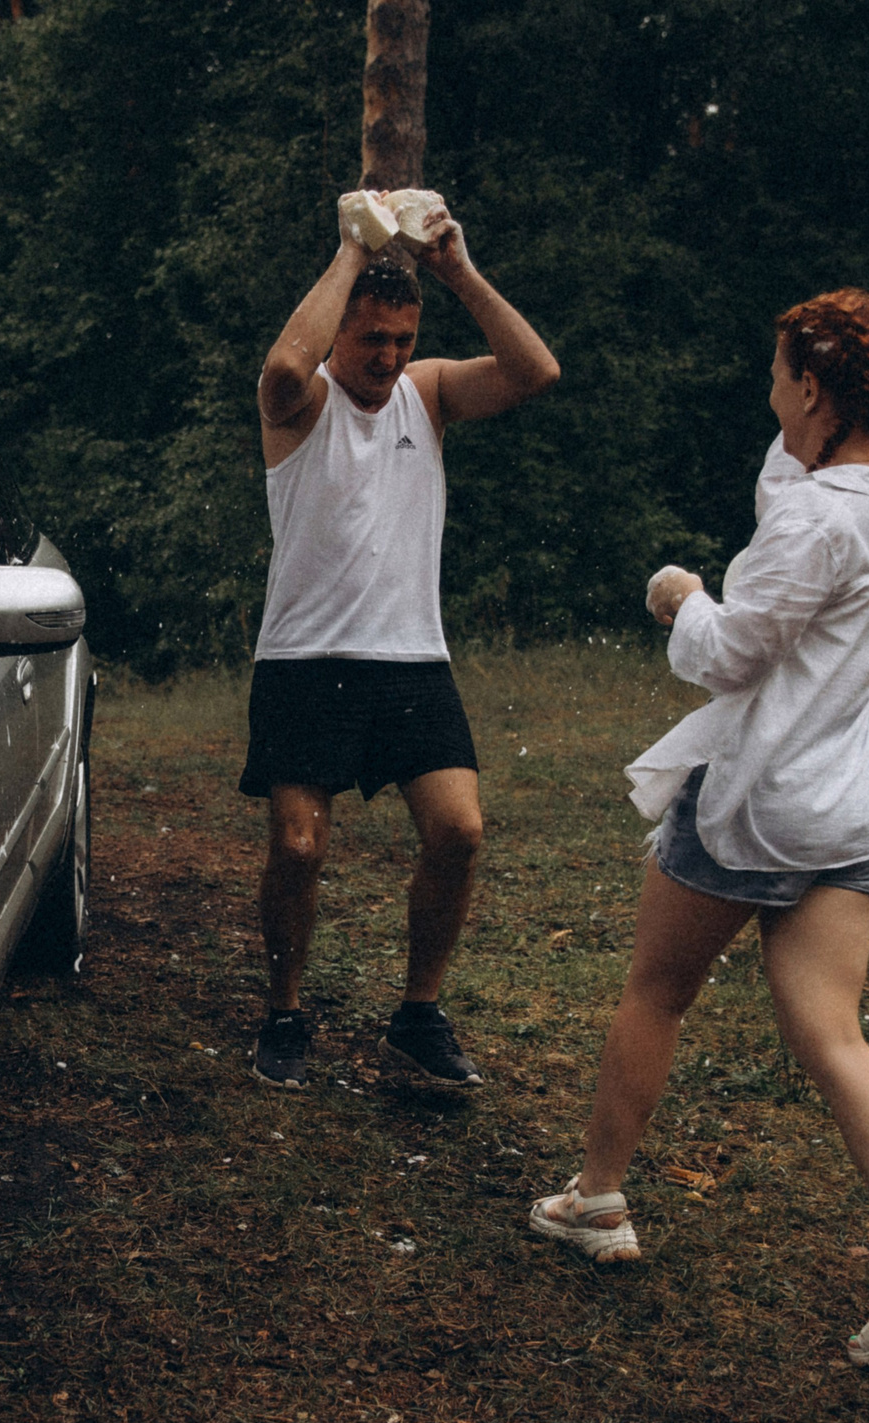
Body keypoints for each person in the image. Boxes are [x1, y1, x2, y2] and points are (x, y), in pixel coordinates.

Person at [527, 288, 869, 1369]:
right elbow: (788, 480)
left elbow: (725, 655)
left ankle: (597, 1198)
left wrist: (680, 597)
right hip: (845, 812)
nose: (767, 387)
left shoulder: (814, 518)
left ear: (812, 389)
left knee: (656, 988)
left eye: (779, 373)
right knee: (833, 1039)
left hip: (756, 806)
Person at [245, 195, 559, 1090]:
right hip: (303, 658)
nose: (386, 358)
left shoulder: (426, 394)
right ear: (339, 329)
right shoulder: (298, 405)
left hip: (412, 657)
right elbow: (280, 364)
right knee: (300, 846)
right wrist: (351, 249)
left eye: (400, 339)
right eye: (370, 338)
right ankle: (285, 1012)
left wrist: (456, 267)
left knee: (458, 830)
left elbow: (536, 371)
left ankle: (417, 1016)